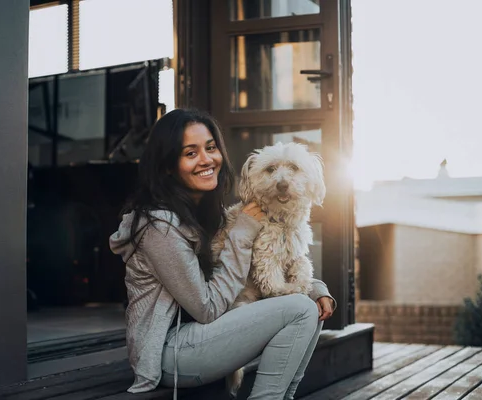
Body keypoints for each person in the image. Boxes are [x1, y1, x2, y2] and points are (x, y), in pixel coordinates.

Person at [109, 109, 336, 400]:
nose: (206, 159)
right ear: (167, 165)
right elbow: (206, 308)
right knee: (299, 308)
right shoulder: (157, 227)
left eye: (211, 148)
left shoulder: (206, 210)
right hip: (169, 354)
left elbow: (269, 257)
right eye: (190, 153)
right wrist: (243, 234)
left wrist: (316, 289)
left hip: (208, 335)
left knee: (310, 307)